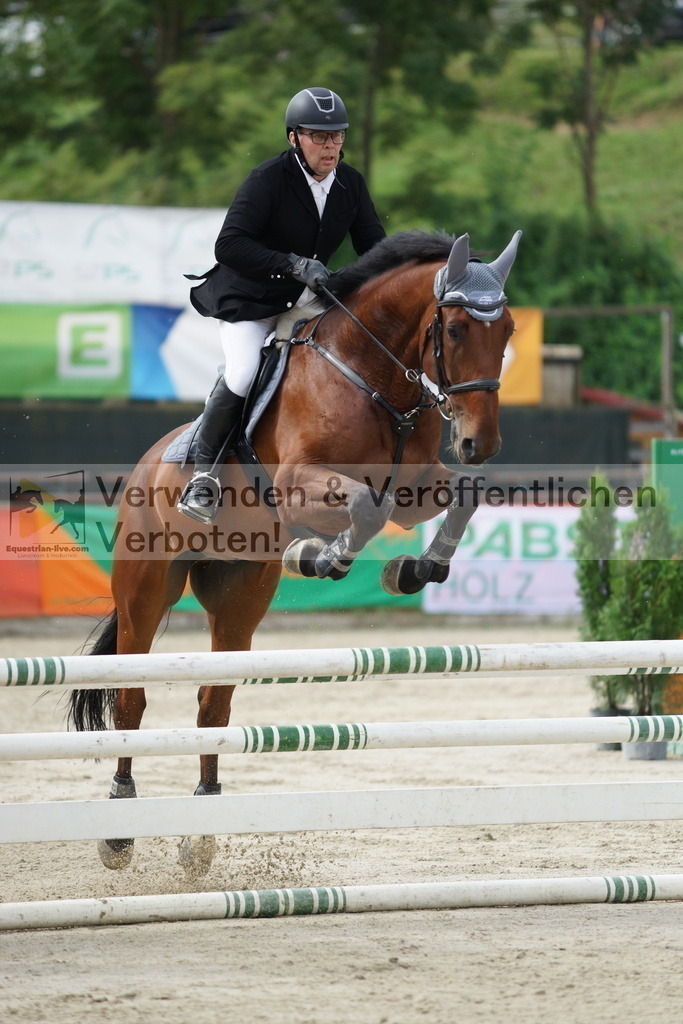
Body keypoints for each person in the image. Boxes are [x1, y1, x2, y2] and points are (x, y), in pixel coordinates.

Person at [178, 86, 386, 524]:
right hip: (248, 300)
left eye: (337, 137)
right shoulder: (268, 179)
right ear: (294, 137)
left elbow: (374, 250)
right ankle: (204, 476)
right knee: (243, 372)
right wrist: (292, 263)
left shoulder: (350, 184)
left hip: (303, 302)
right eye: (318, 136)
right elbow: (229, 244)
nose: (330, 146)